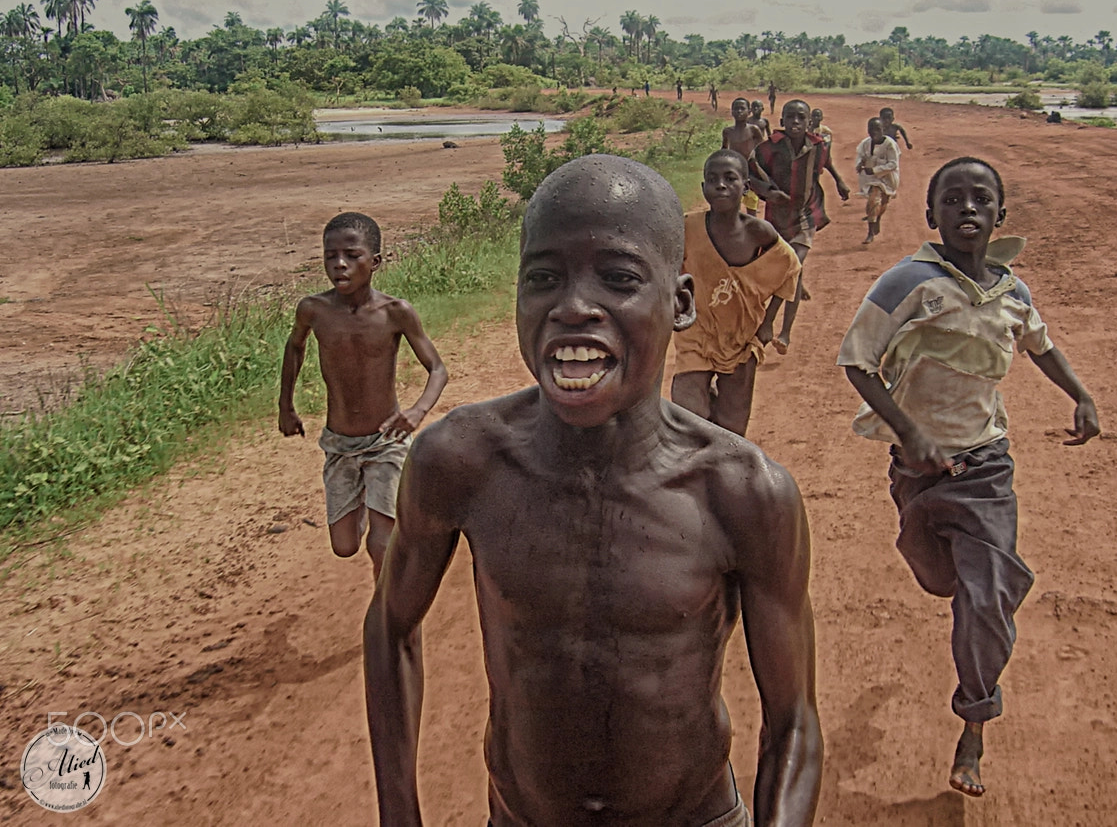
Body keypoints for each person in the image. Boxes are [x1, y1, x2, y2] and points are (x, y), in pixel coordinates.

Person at [364, 155, 822, 827]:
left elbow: (795, 724)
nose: (574, 306)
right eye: (544, 278)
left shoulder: (743, 493)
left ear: (681, 303)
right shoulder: (461, 461)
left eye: (619, 278)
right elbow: (391, 627)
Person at [838, 157, 1100, 798]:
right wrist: (909, 431)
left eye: (981, 200)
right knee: (943, 581)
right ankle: (979, 589)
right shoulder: (908, 283)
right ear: (932, 215)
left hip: (986, 465)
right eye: (952, 200)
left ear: (999, 216)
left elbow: (1041, 345)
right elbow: (857, 362)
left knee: (983, 599)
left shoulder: (1013, 292)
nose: (967, 210)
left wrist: (1082, 395)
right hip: (919, 473)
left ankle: (974, 725)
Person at [279, 212, 448, 581]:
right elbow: (294, 348)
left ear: (375, 262)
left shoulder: (395, 313)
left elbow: (437, 369)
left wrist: (418, 411)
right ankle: (365, 507)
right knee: (344, 546)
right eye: (330, 256)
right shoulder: (313, 310)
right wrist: (285, 406)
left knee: (382, 546)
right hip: (339, 442)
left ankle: (386, 620)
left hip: (386, 440)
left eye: (352, 255)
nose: (339, 264)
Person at [671, 149, 800, 436]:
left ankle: (721, 473)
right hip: (696, 334)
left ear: (746, 187)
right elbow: (667, 271)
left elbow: (791, 270)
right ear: (703, 187)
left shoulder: (759, 233)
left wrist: (770, 325)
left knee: (732, 430)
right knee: (688, 414)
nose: (721, 185)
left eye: (730, 179)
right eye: (712, 179)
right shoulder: (687, 228)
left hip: (742, 338)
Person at [749, 99, 851, 353]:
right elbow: (751, 174)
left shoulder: (818, 147)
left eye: (801, 118)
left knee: (793, 264)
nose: (795, 122)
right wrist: (769, 193)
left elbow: (826, 165)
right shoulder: (768, 149)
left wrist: (839, 182)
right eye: (791, 117)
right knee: (793, 271)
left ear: (809, 122)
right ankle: (781, 330)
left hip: (805, 215)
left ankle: (774, 325)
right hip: (777, 218)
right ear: (782, 122)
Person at [854, 117, 900, 244]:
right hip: (871, 179)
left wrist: (875, 169)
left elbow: (893, 164)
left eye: (877, 129)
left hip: (888, 178)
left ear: (883, 130)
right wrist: (860, 164)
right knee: (873, 201)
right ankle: (870, 232)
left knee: (883, 202)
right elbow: (860, 156)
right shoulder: (865, 143)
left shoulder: (890, 144)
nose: (874, 132)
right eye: (871, 129)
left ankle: (877, 217)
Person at [721, 98, 767, 217]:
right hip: (734, 171)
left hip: (750, 172)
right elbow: (724, 149)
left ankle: (752, 230)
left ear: (749, 111)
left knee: (751, 206)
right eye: (736, 109)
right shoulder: (727, 132)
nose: (739, 111)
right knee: (732, 203)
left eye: (742, 108)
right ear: (732, 112)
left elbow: (762, 149)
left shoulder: (753, 130)